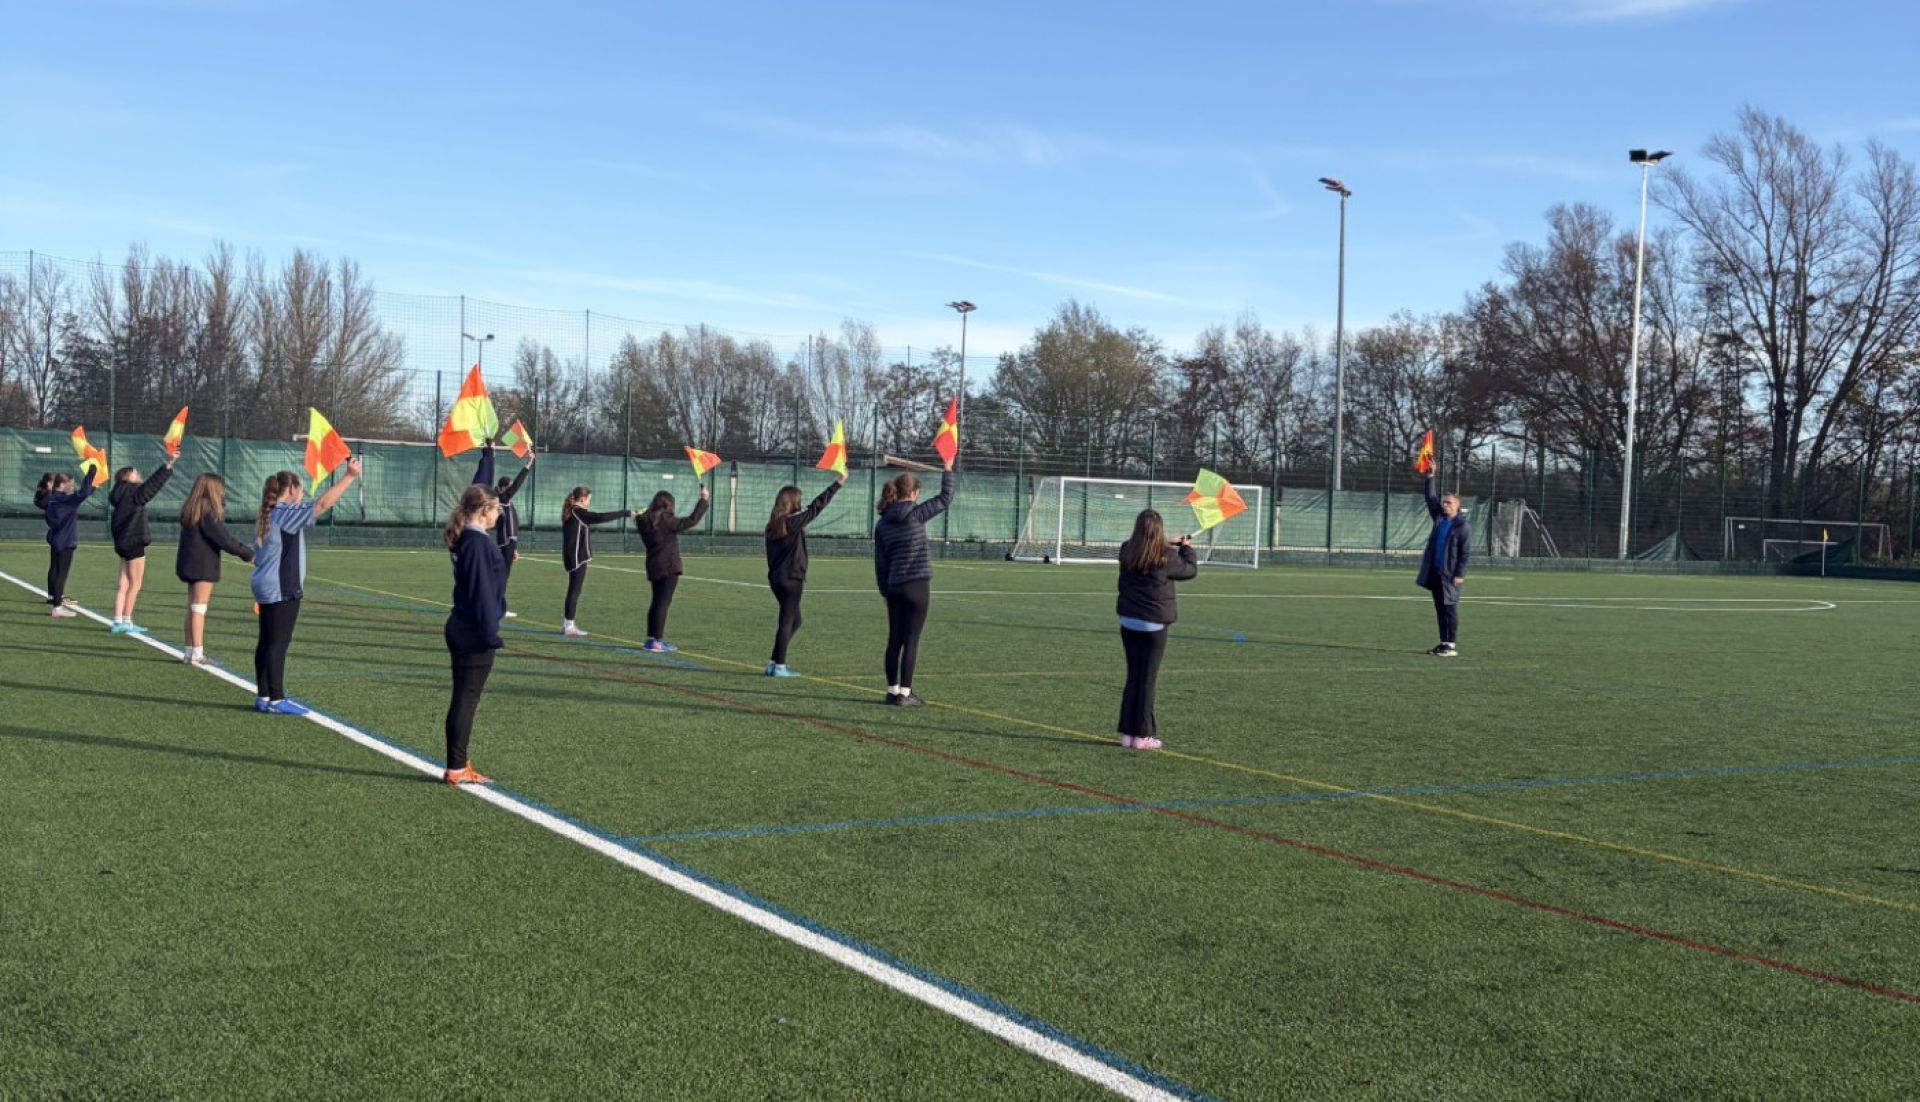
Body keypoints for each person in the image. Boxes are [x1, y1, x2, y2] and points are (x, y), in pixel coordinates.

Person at [249, 459, 361, 714]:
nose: (302, 494)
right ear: (291, 490)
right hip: (281, 587)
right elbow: (322, 504)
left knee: (266, 641)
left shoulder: (267, 514)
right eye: (299, 489)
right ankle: (276, 699)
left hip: (265, 585)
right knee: (278, 642)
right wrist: (349, 477)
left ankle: (263, 695)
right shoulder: (283, 514)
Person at [871, 460, 954, 706]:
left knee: (894, 639)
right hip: (917, 585)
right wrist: (947, 468)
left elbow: (880, 563)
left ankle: (891, 690)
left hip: (894, 586)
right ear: (915, 493)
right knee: (912, 640)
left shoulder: (882, 523)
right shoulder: (916, 514)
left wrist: (884, 592)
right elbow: (946, 497)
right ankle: (905, 694)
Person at [1115, 509, 1198, 750]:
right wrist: (1187, 549)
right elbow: (1190, 570)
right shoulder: (1167, 556)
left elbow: (1146, 546)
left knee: (1134, 677)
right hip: (1153, 624)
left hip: (1128, 621)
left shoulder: (1126, 550)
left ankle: (1128, 734)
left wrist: (1168, 543)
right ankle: (1143, 735)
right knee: (1147, 680)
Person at [443, 484, 505, 786]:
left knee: (463, 697)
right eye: (496, 509)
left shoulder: (467, 538)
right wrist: (490, 634)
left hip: (461, 624)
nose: (499, 514)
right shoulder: (478, 543)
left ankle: (458, 762)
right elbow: (482, 594)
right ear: (484, 510)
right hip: (472, 630)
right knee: (466, 699)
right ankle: (456, 766)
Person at [762, 473, 845, 676]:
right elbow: (816, 507)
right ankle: (779, 665)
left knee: (794, 619)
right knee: (787, 619)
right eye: (799, 500)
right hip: (791, 578)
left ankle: (774, 661)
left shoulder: (773, 525)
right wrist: (837, 484)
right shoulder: (791, 522)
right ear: (793, 503)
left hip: (776, 579)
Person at [175, 473, 254, 666]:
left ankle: (189, 651)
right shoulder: (207, 511)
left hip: (189, 563)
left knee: (192, 607)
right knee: (199, 608)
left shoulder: (192, 508)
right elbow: (223, 539)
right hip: (202, 565)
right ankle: (197, 653)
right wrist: (248, 554)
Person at [106, 453, 177, 633]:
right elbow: (152, 486)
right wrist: (168, 465)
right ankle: (127, 621)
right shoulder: (133, 493)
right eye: (135, 473)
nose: (138, 475)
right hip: (134, 542)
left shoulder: (118, 494)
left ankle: (117, 620)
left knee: (123, 582)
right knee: (135, 583)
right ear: (127, 477)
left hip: (121, 544)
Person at [635, 486, 709, 652]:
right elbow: (691, 520)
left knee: (656, 602)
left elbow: (642, 516)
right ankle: (657, 641)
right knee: (663, 603)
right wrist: (703, 500)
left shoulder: (644, 520)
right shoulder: (667, 521)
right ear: (668, 505)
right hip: (669, 566)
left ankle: (650, 639)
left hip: (653, 565)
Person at [559, 486, 634, 637]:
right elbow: (602, 517)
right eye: (588, 500)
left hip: (573, 557)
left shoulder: (573, 512)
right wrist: (626, 513)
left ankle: (568, 624)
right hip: (577, 558)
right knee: (574, 590)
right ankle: (568, 625)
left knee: (574, 590)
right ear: (582, 499)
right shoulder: (578, 512)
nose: (589, 503)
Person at [471, 440, 534, 618]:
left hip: (509, 543)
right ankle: (496, 606)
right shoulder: (501, 498)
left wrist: (514, 547)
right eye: (510, 486)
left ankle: (493, 604)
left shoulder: (506, 501)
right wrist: (528, 464)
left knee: (501, 575)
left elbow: (511, 524)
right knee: (502, 576)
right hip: (505, 542)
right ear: (504, 487)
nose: (513, 488)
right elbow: (518, 484)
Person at [1415, 472, 1470, 657]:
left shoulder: (1462, 526)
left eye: (1449, 503)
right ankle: (1443, 643)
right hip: (1436, 573)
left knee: (1450, 609)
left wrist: (1459, 574)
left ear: (1457, 506)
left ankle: (1451, 645)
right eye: (1444, 502)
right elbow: (1430, 498)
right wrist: (1430, 477)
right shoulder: (1439, 519)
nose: (1445, 505)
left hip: (1450, 575)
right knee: (1440, 609)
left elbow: (1465, 553)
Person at [40, 470, 97, 618]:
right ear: (62, 484)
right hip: (65, 541)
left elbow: (82, 494)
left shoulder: (53, 498)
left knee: (54, 569)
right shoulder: (65, 501)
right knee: (61, 574)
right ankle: (57, 607)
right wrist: (92, 471)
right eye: (70, 484)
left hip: (56, 540)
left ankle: (54, 597)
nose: (72, 487)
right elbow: (82, 493)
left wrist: (94, 484)